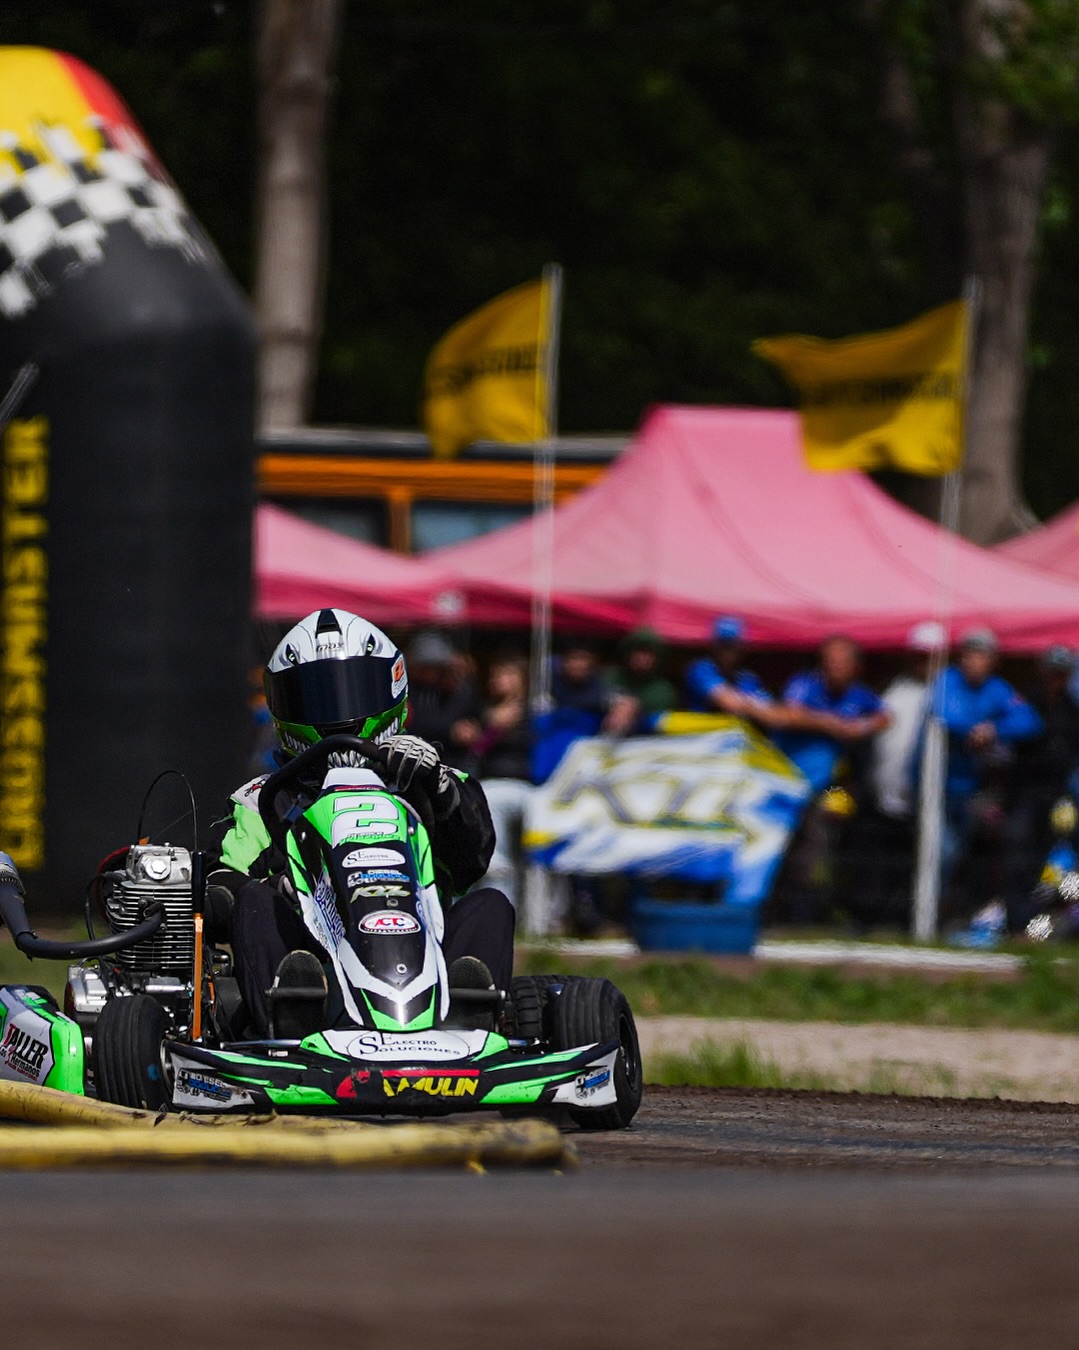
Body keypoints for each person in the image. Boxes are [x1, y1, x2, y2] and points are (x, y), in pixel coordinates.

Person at [207, 608, 508, 1038]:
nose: (339, 711)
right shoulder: (266, 799)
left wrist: (436, 785)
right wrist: (284, 887)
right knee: (255, 902)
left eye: (354, 691)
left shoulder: (435, 783)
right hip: (316, 965)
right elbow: (225, 885)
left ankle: (468, 1022)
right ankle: (292, 1019)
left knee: (490, 905)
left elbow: (471, 862)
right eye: (316, 696)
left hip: (425, 954)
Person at [772, 636, 890, 924]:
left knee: (813, 855)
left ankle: (802, 917)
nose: (834, 668)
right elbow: (787, 714)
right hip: (784, 783)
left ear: (855, 667)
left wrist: (861, 727)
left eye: (841, 663)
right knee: (777, 849)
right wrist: (830, 723)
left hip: (823, 788)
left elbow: (885, 717)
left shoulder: (858, 695)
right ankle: (772, 913)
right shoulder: (804, 684)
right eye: (830, 662)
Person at [931, 626, 1043, 899]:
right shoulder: (946, 680)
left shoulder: (997, 688)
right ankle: (927, 909)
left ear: (993, 661)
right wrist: (975, 730)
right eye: (970, 654)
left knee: (961, 850)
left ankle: (947, 906)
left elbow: (1030, 721)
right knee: (941, 851)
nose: (975, 661)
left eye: (982, 655)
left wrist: (994, 729)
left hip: (970, 788)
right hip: (936, 786)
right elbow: (945, 715)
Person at [1002, 645, 1079, 932]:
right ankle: (1015, 921)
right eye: (1052, 673)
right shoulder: (1024, 702)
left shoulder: (1071, 710)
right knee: (1017, 857)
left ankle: (1037, 925)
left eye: (1062, 674)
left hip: (1057, 796)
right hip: (1024, 793)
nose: (1056, 679)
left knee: (1047, 862)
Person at [474, 656, 533, 908]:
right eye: (495, 676)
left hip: (532, 787)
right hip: (492, 785)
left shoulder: (537, 711)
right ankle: (500, 905)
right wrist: (493, 728)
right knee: (489, 799)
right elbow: (476, 750)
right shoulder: (483, 712)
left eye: (507, 675)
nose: (499, 681)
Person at [404, 630, 483, 772]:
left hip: (454, 761)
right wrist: (450, 731)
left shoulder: (460, 690)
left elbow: (475, 718)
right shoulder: (409, 690)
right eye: (426, 667)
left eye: (438, 668)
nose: (432, 674)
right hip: (417, 758)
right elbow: (412, 722)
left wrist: (471, 728)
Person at [683, 615, 781, 729]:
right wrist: (754, 706)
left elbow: (771, 713)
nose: (726, 652)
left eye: (732, 645)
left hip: (737, 735)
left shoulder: (747, 677)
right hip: (703, 734)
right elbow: (729, 703)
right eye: (722, 645)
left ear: (742, 648)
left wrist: (754, 708)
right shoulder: (701, 669)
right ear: (713, 646)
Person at [604, 627, 678, 734]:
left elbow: (662, 723)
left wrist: (635, 710)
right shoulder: (609, 677)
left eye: (648, 654)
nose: (642, 658)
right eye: (637, 652)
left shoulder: (664, 690)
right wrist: (618, 704)